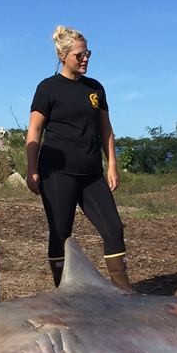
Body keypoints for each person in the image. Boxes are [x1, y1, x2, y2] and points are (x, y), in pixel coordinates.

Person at [25, 25, 130, 290]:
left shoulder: (95, 88)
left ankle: (123, 292)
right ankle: (64, 293)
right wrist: (31, 169)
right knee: (61, 233)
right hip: (58, 174)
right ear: (63, 56)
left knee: (113, 228)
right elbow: (35, 130)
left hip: (92, 173)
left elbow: (106, 128)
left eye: (88, 54)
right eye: (79, 55)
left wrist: (112, 165)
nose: (85, 59)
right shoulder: (48, 88)